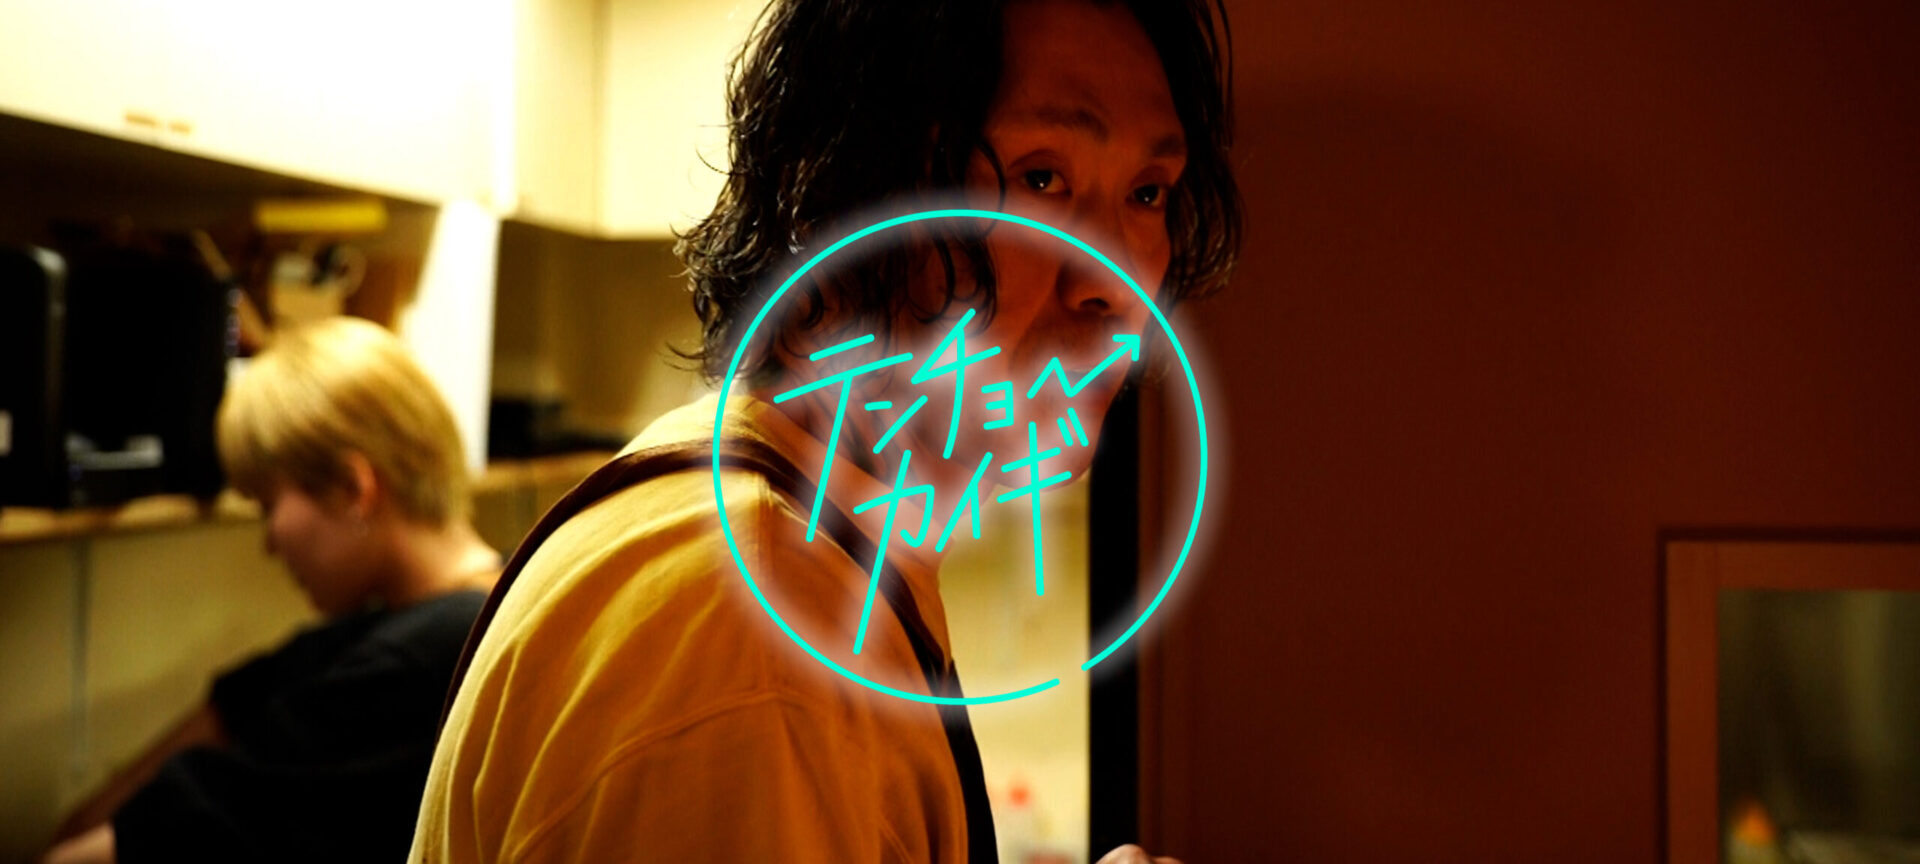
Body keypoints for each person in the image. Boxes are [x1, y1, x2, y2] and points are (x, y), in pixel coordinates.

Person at [412, 0, 1239, 861]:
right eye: (1041, 179)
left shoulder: (795, 552)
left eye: (1148, 192)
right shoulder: (760, 646)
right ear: (832, 199)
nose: (1116, 282)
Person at [43, 316, 502, 864]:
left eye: (267, 505)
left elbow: (178, 827)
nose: (269, 544)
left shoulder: (425, 660)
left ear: (352, 488)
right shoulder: (466, 607)